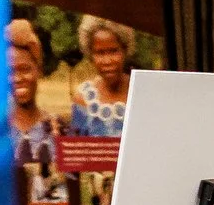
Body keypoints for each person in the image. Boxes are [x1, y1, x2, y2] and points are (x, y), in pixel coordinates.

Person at [67, 16, 134, 138]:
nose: (107, 61)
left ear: (125, 50)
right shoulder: (83, 99)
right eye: (100, 53)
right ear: (90, 55)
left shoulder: (139, 93)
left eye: (113, 51)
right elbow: (76, 151)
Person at [7, 20, 56, 166]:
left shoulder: (58, 129)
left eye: (25, 69)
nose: (17, 78)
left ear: (39, 70)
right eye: (10, 71)